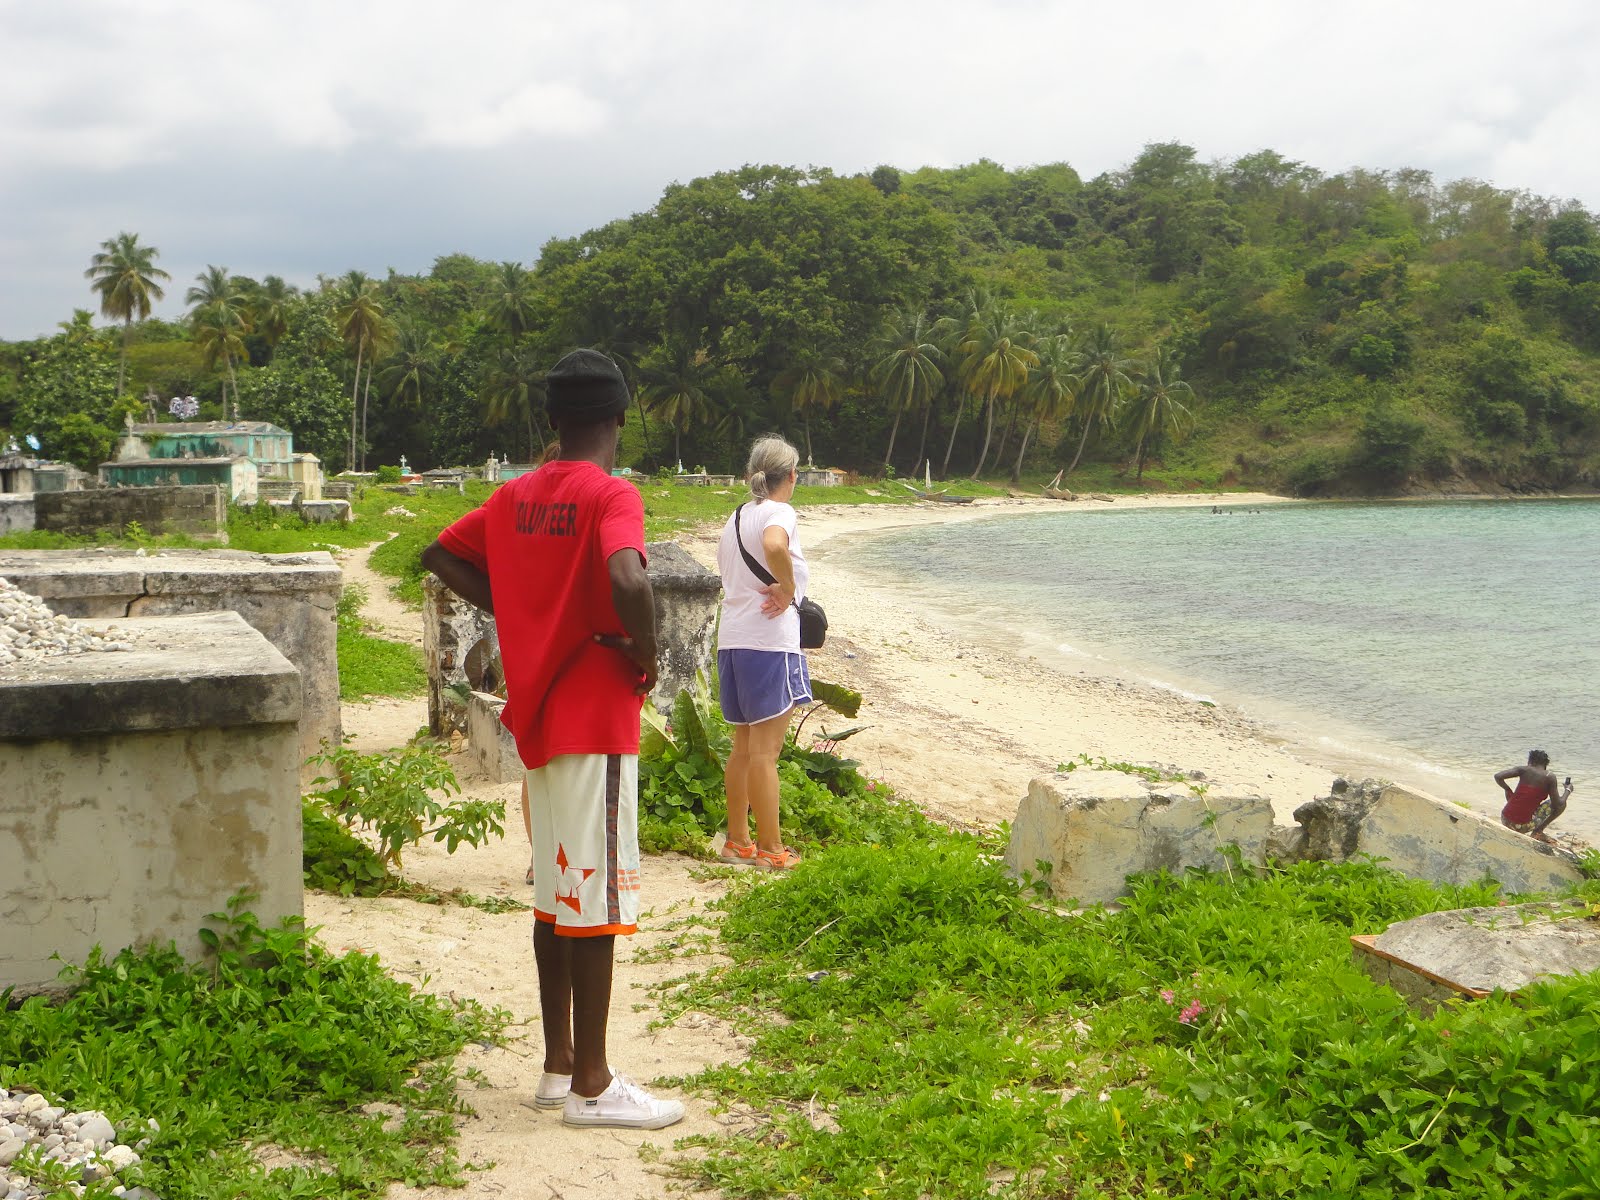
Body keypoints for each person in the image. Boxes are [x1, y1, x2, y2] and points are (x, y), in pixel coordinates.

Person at [420, 348, 683, 1131]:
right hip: (595, 712)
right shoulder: (611, 493)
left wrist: (519, 608)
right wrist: (647, 653)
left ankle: (558, 1065)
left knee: (555, 893)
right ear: (620, 417)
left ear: (552, 419)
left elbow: (438, 553)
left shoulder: (514, 496)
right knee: (593, 899)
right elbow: (629, 578)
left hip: (537, 714)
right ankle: (594, 1087)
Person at [714, 435, 812, 871]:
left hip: (733, 640)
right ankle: (772, 848)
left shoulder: (736, 516)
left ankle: (738, 841)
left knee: (743, 748)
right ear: (791, 476)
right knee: (765, 753)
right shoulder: (779, 512)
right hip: (768, 643)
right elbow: (774, 546)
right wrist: (788, 588)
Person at [1496, 749, 1574, 844]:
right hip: (1520, 827)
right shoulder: (1549, 777)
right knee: (1562, 804)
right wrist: (1568, 790)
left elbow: (1498, 776)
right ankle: (1538, 832)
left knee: (1521, 800)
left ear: (1530, 761)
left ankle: (1534, 828)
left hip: (1505, 819)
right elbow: (1558, 804)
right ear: (1545, 764)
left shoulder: (1523, 769)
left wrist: (1507, 789)